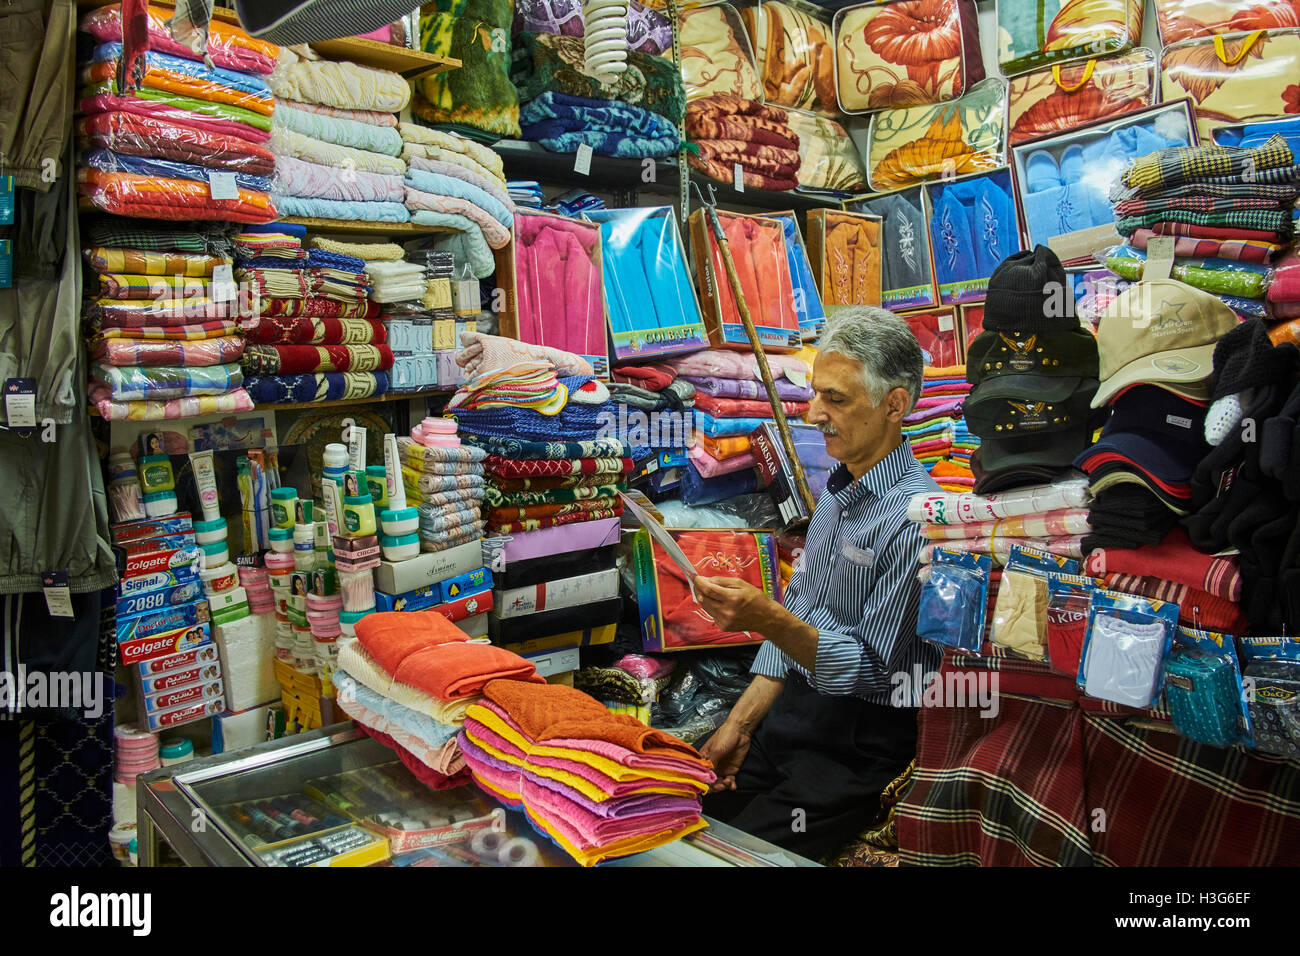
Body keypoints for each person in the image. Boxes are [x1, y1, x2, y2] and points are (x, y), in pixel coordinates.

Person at [693, 306, 941, 861]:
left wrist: (766, 618)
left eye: (837, 399)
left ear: (895, 405)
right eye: (815, 394)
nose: (813, 413)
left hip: (856, 745)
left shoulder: (916, 517)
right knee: (677, 816)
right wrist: (740, 724)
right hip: (792, 721)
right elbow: (802, 607)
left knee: (733, 858)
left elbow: (872, 669)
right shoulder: (837, 488)